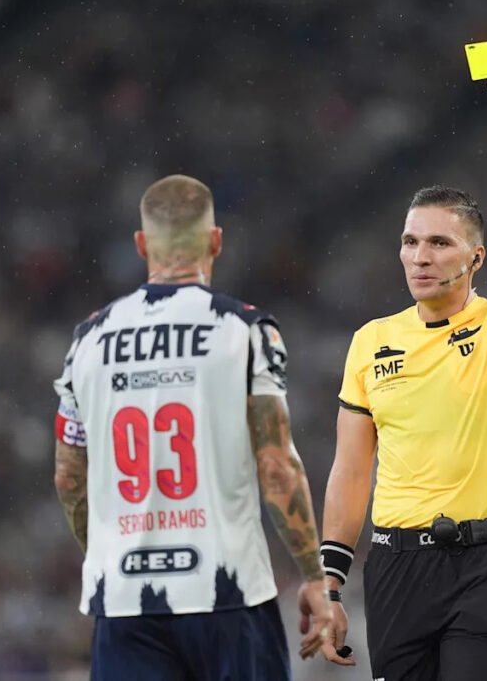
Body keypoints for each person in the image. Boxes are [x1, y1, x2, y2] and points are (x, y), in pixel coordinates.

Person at [314, 65, 487, 680]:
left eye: (439, 243)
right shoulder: (371, 342)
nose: (420, 257)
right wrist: (330, 583)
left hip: (486, 564)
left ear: (476, 257)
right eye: (410, 242)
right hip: (397, 568)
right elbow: (352, 470)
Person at [51, 175, 332, 680]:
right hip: (227, 593)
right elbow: (276, 467)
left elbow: (69, 477)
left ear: (141, 244)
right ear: (215, 241)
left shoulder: (87, 341)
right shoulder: (245, 330)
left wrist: (109, 554)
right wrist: (314, 575)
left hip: (126, 601)